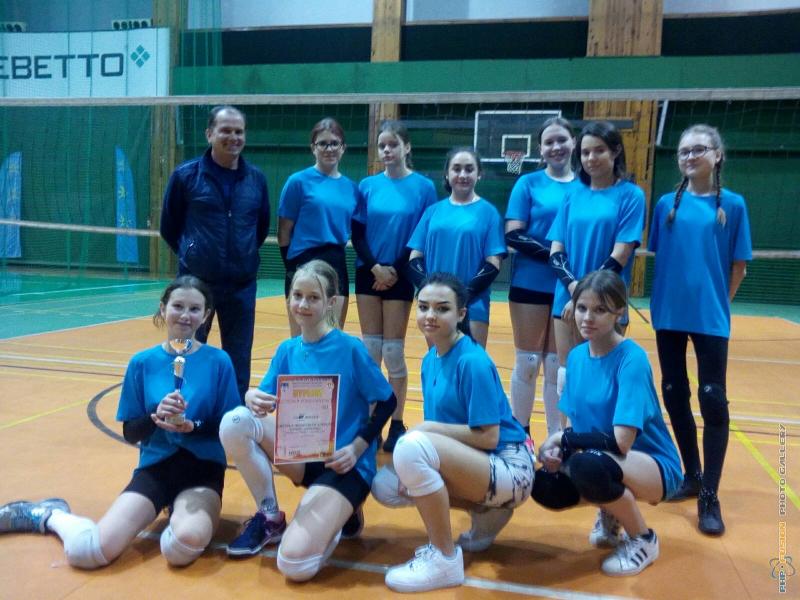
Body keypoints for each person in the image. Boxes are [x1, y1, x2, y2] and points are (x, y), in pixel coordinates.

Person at [0, 276, 240, 568]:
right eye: (178, 306)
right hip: (156, 468)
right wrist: (155, 418)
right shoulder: (142, 363)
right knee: (88, 553)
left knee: (183, 545)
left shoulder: (219, 361)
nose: (185, 315)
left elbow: (228, 426)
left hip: (202, 470)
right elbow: (131, 432)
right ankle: (50, 515)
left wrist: (194, 426)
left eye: (194, 309)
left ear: (206, 315)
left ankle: (180, 513)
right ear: (163, 309)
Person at [219, 260, 396, 582]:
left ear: (331, 303)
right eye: (297, 295)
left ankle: (341, 510)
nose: (303, 304)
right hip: (302, 458)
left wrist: (357, 448)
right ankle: (270, 516)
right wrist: (251, 397)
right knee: (235, 421)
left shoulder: (350, 348)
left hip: (344, 464)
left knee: (293, 564)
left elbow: (387, 401)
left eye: (313, 297)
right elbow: (262, 401)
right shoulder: (287, 350)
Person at [372, 273, 534, 593]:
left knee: (411, 448)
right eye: (423, 307)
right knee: (386, 485)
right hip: (480, 463)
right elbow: (441, 443)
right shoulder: (430, 359)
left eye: (442, 308)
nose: (430, 315)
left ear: (461, 314)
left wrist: (428, 430)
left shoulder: (472, 361)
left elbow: (489, 437)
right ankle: (487, 513)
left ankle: (444, 559)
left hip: (511, 468)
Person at [531, 270, 682, 577]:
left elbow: (621, 442)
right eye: (582, 308)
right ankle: (611, 511)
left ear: (619, 313)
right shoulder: (576, 358)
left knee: (587, 465)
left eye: (600, 310)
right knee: (546, 484)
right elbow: (577, 428)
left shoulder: (631, 358)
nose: (587, 318)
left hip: (652, 465)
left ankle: (643, 539)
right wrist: (558, 453)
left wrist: (563, 440)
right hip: (607, 458)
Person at [649, 124, 752, 536]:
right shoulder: (665, 205)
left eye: (699, 149)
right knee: (674, 392)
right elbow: (663, 257)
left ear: (717, 155)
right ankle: (691, 475)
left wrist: (717, 303)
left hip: (710, 317)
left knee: (713, 399)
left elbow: (739, 266)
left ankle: (710, 494)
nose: (690, 156)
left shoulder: (734, 205)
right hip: (668, 314)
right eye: (684, 151)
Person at [160, 105, 270, 400]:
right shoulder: (185, 176)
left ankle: (234, 417)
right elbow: (169, 227)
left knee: (238, 359)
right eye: (226, 130)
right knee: (189, 353)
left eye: (239, 131)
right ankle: (187, 409)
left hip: (241, 286)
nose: (233, 137)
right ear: (209, 134)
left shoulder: (256, 179)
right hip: (196, 285)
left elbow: (259, 228)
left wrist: (240, 256)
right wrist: (194, 255)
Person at [547, 120, 645, 407]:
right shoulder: (572, 194)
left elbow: (621, 254)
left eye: (599, 150)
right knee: (567, 376)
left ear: (615, 151)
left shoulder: (631, 195)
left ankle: (604, 434)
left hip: (607, 300)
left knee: (603, 379)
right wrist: (574, 291)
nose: (591, 158)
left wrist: (583, 297)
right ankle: (567, 433)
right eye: (585, 152)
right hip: (566, 299)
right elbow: (556, 252)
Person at [354, 120, 438, 452]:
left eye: (393, 144)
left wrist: (393, 269)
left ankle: (398, 422)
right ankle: (371, 423)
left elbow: (422, 232)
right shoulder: (367, 185)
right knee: (371, 351)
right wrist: (375, 266)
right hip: (368, 271)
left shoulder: (424, 187)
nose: (387, 150)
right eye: (382, 146)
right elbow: (357, 233)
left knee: (392, 351)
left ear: (407, 147)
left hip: (402, 272)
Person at [505, 117, 582, 438]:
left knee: (556, 366)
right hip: (530, 283)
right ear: (540, 149)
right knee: (527, 361)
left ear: (573, 143)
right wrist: (556, 256)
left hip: (569, 287)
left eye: (562, 140)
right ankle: (518, 435)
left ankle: (555, 438)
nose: (556, 147)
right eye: (549, 142)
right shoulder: (528, 183)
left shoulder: (586, 186)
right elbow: (514, 234)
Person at [407, 148, 506, 348]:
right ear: (447, 173)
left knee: (470, 361)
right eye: (457, 169)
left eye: (469, 169)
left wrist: (461, 296)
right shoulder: (433, 212)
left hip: (472, 305)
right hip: (436, 304)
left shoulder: (489, 213)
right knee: (438, 360)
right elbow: (415, 257)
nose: (463, 174)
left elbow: (493, 263)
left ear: (479, 174)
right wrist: (432, 292)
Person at [278, 118, 360, 337]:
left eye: (334, 143)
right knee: (301, 338)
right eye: (323, 143)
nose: (329, 148)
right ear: (313, 148)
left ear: (343, 148)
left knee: (333, 337)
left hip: (336, 262)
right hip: (303, 261)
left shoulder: (352, 188)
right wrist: (292, 268)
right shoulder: (297, 182)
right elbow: (284, 231)